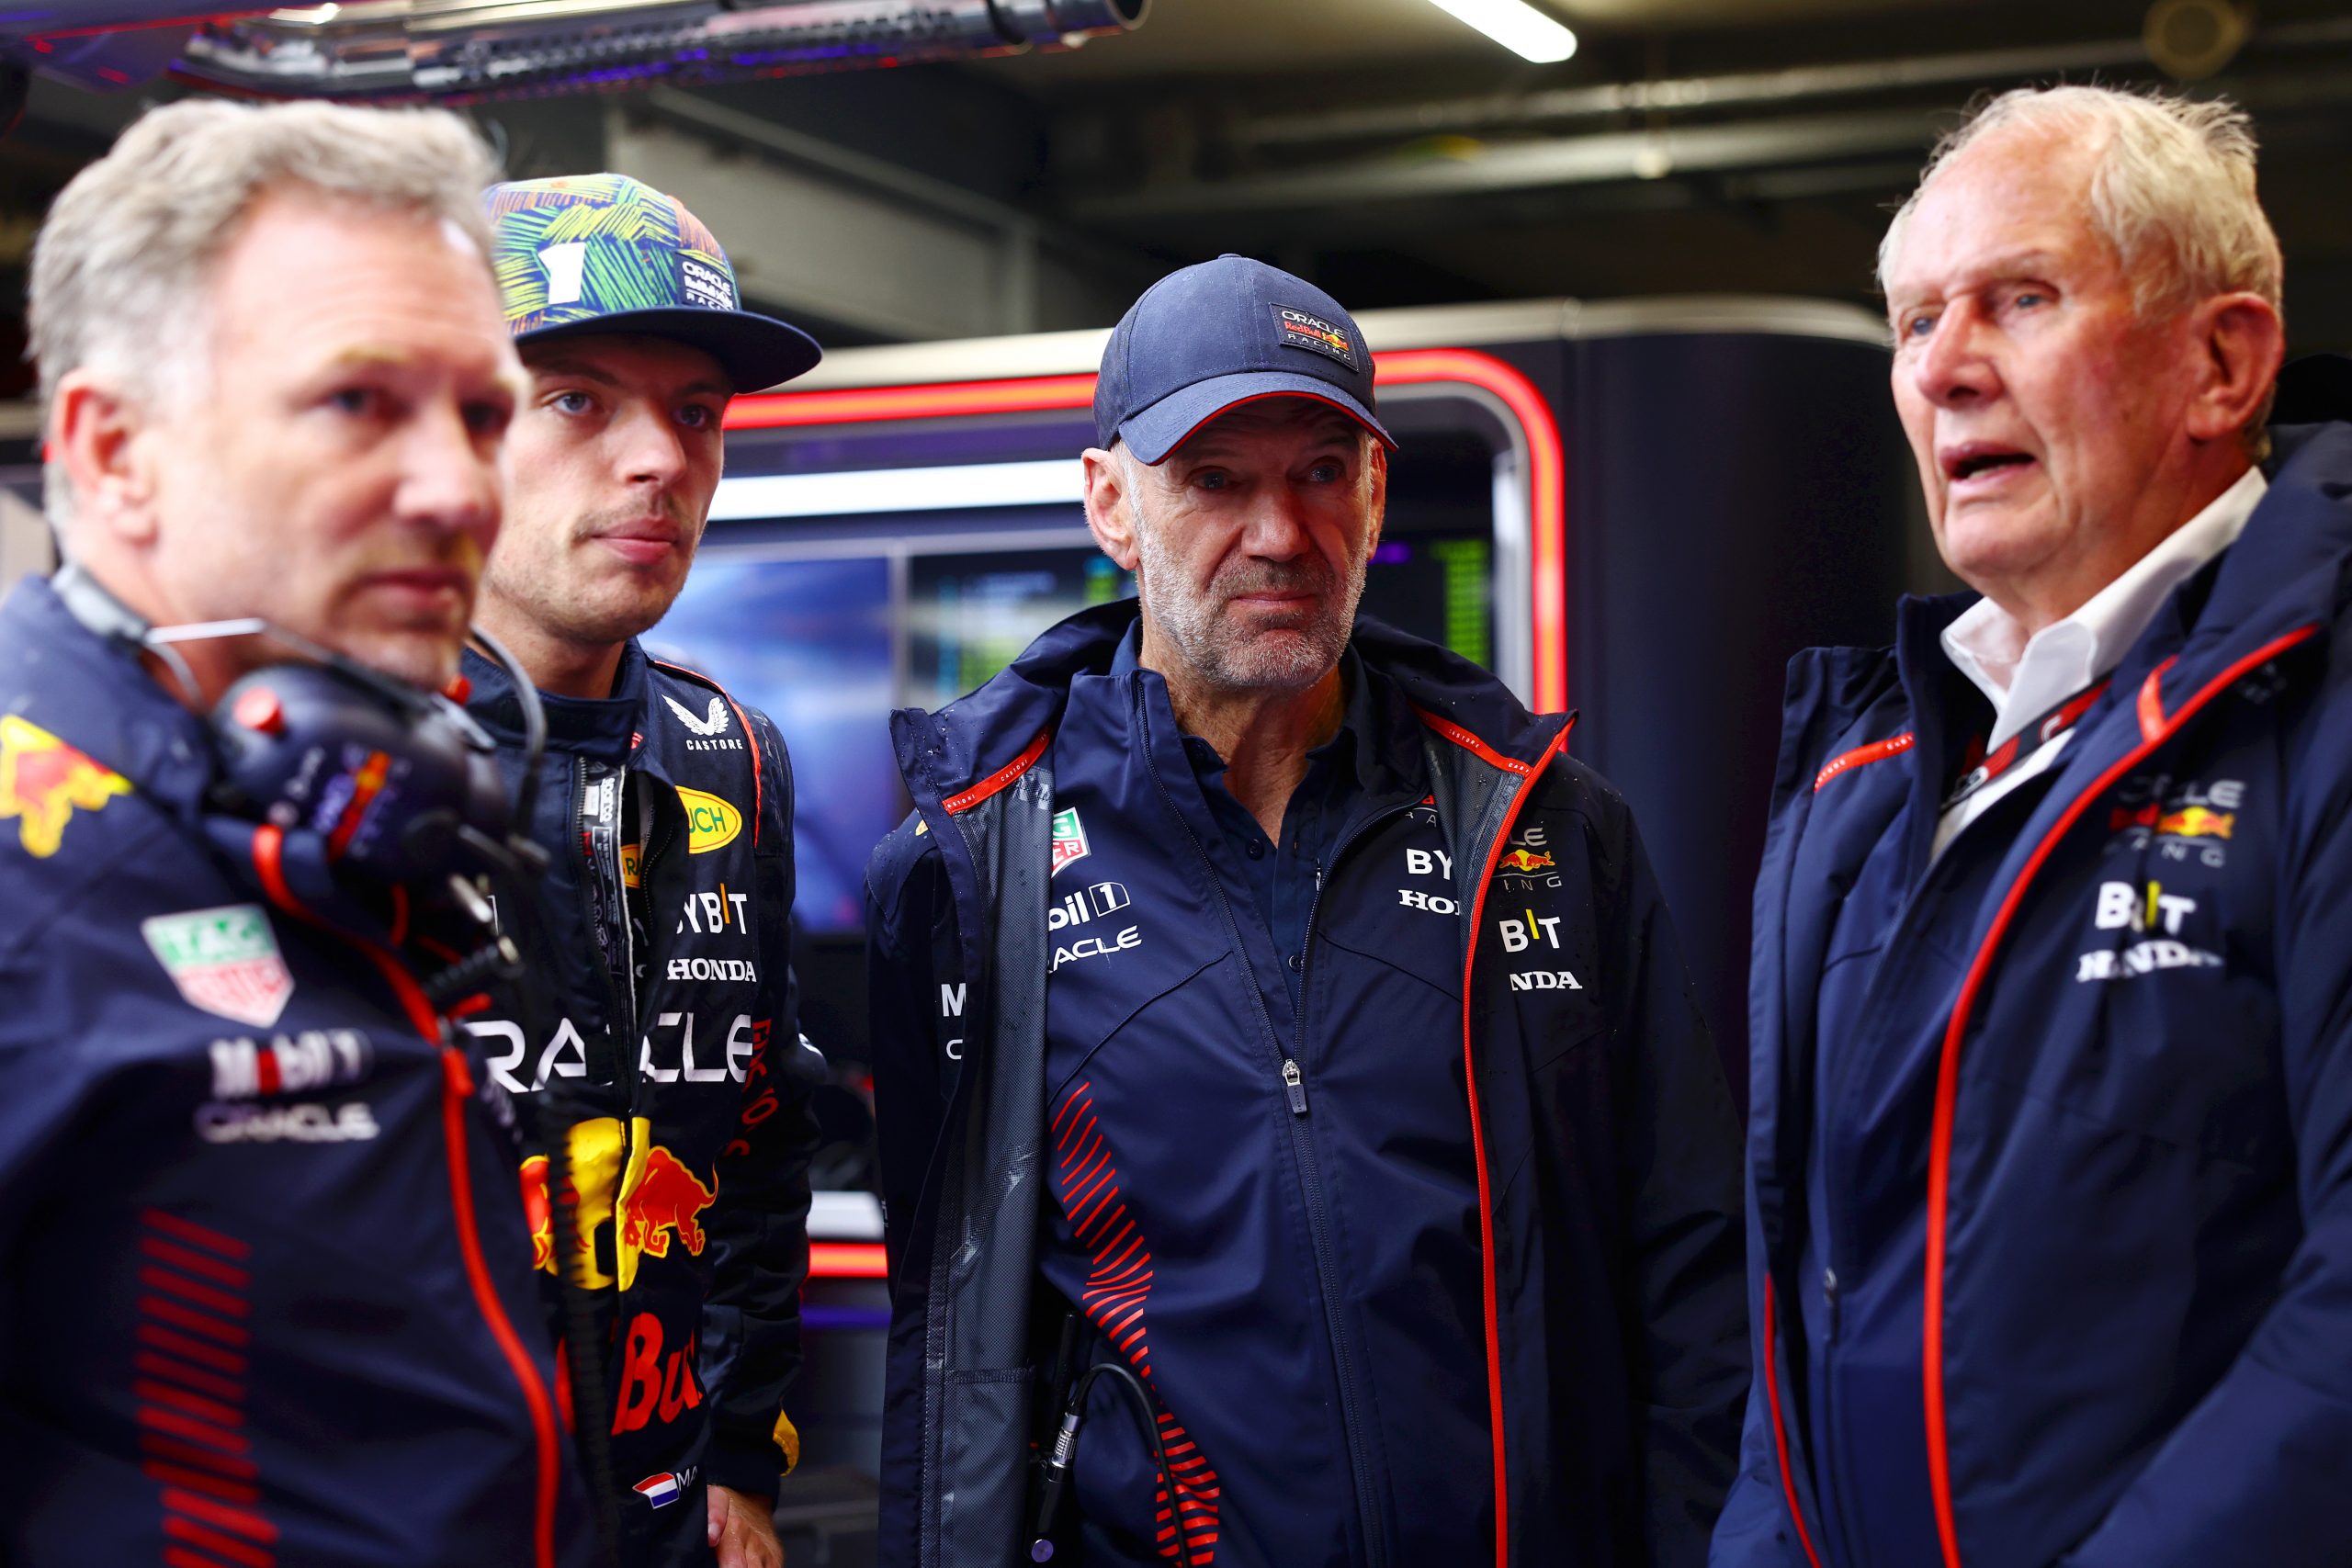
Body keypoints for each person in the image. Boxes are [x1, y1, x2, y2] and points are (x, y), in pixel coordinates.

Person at [865, 254, 1747, 1568]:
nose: (1281, 533)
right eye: (1216, 480)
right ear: (1112, 502)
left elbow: (1693, 1271)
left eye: (1322, 470)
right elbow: (950, 1335)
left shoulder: (1548, 829)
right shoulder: (967, 863)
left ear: (1375, 488)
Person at [1710, 85, 2352, 1568]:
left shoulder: (2317, 707)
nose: (1946, 371)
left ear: (2222, 362)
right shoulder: (1858, 782)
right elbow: (1797, 1314)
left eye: (2021, 299)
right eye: (1916, 321)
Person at [0, 100, 597, 1566]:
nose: (460, 488)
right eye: (357, 404)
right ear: (114, 447)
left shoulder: (361, 824)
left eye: (478, 413)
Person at [462, 173, 826, 1568]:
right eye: (578, 401)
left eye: (695, 412)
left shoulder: (729, 750)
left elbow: (757, 1138)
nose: (659, 461)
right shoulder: (330, 757)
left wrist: (741, 1456)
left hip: (668, 1510)